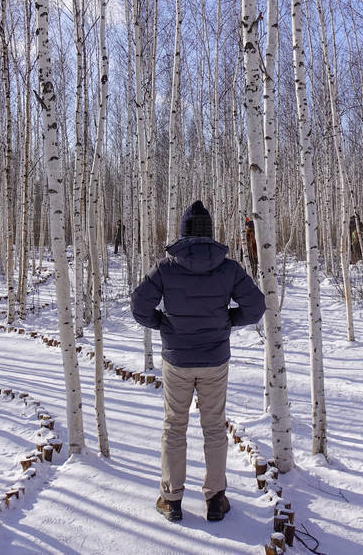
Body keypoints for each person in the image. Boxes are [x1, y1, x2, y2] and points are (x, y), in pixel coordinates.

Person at [131, 200, 265, 523]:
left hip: (177, 360)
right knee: (214, 427)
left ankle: (171, 499)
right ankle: (216, 499)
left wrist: (163, 324)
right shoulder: (228, 268)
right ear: (210, 232)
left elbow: (138, 305)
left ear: (183, 231)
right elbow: (257, 306)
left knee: (174, 426)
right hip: (215, 360)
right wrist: (229, 320)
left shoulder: (165, 268)